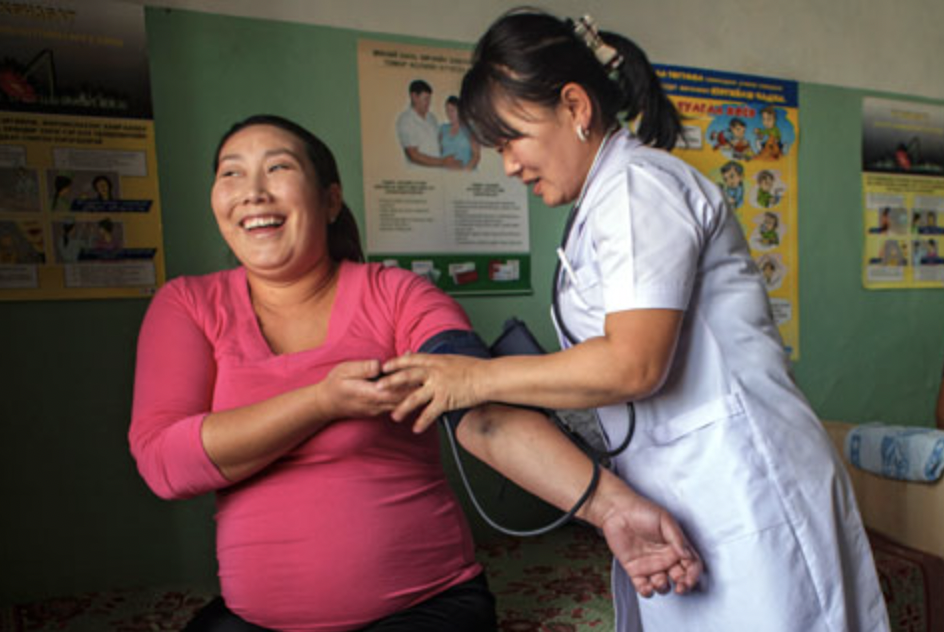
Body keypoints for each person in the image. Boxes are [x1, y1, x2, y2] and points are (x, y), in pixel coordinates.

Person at [379, 10, 889, 632]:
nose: (508, 165)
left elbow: (633, 363)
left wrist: (475, 379)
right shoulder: (604, 203)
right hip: (685, 491)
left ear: (574, 106)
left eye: (511, 139)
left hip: (748, 486)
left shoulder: (638, 188)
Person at [129, 114, 701, 632]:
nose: (252, 191)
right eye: (231, 173)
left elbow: (484, 417)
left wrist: (612, 508)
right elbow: (165, 463)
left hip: (424, 607)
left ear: (330, 200)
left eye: (278, 168)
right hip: (256, 619)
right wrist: (321, 402)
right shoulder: (188, 306)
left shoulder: (399, 295)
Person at [395, 79, 460, 168]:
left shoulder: (432, 118)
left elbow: (440, 144)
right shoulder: (406, 120)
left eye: (429, 99)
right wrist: (443, 162)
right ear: (414, 97)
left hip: (438, 173)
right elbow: (413, 155)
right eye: (425, 99)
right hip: (419, 175)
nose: (429, 103)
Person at [439, 95, 480, 169]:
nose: (449, 114)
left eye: (453, 110)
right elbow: (439, 152)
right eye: (447, 110)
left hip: (466, 173)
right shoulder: (443, 128)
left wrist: (464, 173)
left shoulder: (469, 129)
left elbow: (476, 155)